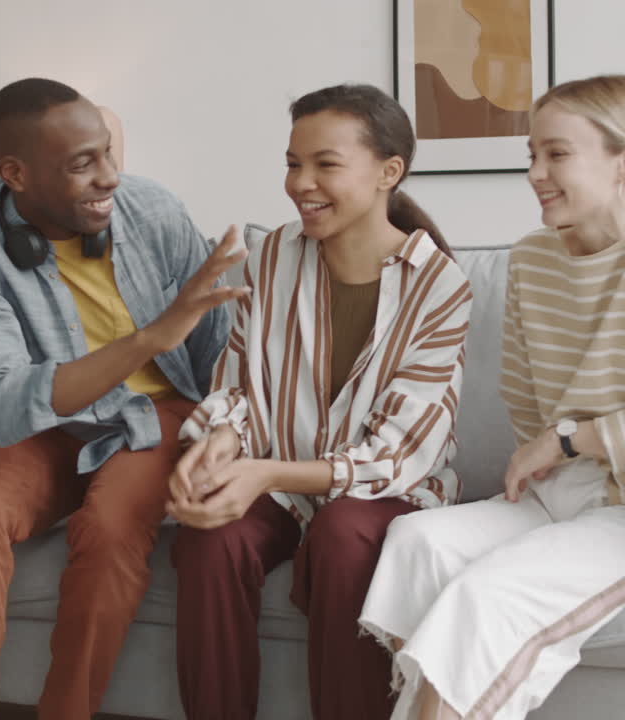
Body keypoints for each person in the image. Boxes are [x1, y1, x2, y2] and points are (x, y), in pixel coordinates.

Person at [359, 74, 625, 720]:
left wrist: (565, 441)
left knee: (485, 594)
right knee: (415, 542)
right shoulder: (532, 260)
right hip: (556, 490)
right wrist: (553, 449)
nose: (535, 172)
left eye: (557, 154)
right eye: (532, 154)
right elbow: (527, 402)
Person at [0, 77, 244, 720]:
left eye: (107, 154)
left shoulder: (152, 210)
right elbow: (3, 405)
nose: (108, 178)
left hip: (154, 414)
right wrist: (148, 337)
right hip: (39, 425)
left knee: (113, 525)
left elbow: (219, 364)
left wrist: (225, 436)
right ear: (13, 172)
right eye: (81, 164)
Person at [168, 83, 473, 720]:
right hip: (282, 482)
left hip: (384, 493)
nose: (300, 182)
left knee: (341, 531)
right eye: (292, 163)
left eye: (325, 164)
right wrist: (222, 442)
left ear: (389, 172)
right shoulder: (272, 256)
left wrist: (265, 472)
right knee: (209, 536)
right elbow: (240, 385)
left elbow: (398, 457)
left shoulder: (440, 285)